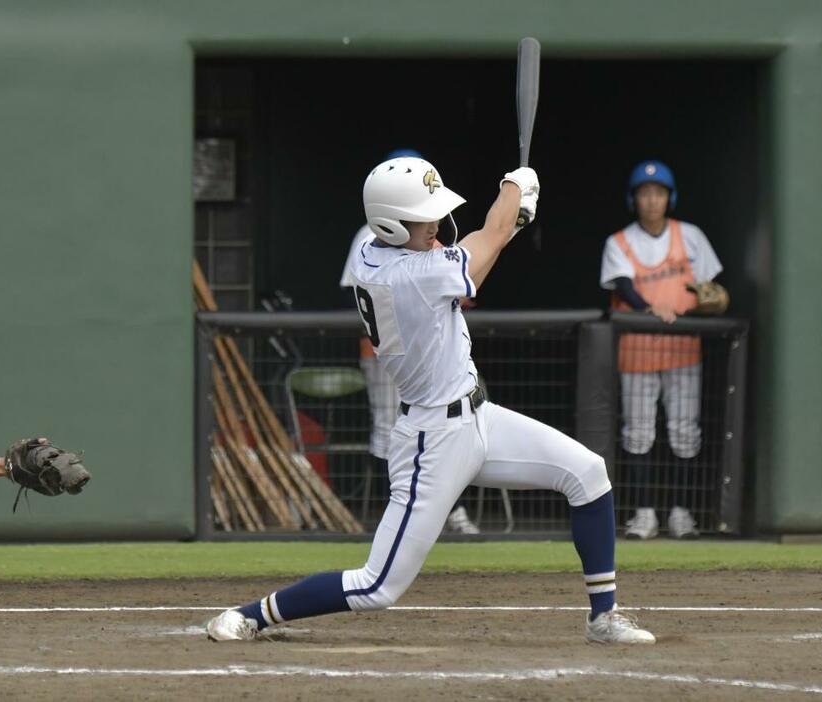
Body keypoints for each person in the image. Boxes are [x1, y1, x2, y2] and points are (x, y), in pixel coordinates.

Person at [207, 156, 654, 645]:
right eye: (423, 217)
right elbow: (483, 244)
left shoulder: (375, 253)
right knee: (377, 586)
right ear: (390, 224)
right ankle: (252, 615)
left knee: (588, 473)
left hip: (479, 417)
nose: (435, 223)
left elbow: (479, 250)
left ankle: (603, 618)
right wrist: (513, 187)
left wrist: (511, 221)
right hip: (432, 440)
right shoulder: (406, 276)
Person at [339, 148, 480, 536]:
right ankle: (397, 512)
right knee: (389, 427)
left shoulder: (424, 239)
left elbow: (457, 289)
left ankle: (445, 511)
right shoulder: (369, 241)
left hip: (430, 350)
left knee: (449, 432)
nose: (431, 219)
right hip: (387, 351)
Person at [600, 160, 724, 540]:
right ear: (633, 199)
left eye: (659, 193)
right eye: (644, 193)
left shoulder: (690, 236)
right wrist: (650, 307)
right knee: (638, 434)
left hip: (682, 350)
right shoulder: (619, 241)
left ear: (670, 198)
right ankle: (644, 513)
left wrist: (710, 301)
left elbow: (711, 287)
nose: (652, 200)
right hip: (637, 353)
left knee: (685, 433)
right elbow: (622, 286)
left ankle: (682, 513)